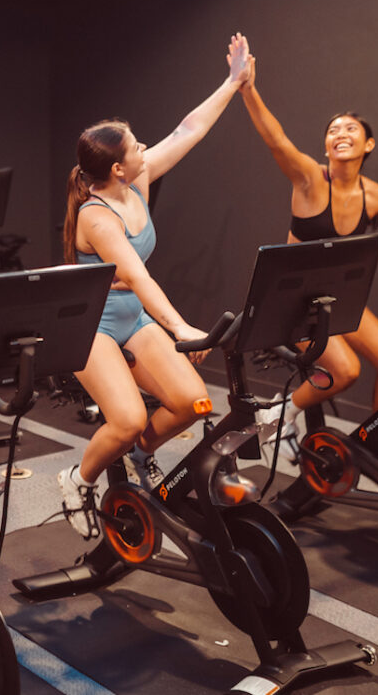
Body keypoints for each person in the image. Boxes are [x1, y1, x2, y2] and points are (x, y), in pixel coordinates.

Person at [58, 34, 252, 539]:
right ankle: (77, 479)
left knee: (192, 402)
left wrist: (232, 82)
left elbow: (189, 129)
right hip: (92, 326)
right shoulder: (97, 217)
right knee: (122, 420)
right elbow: (139, 276)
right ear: (118, 167)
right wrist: (182, 326)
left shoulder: (134, 182)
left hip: (132, 318)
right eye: (136, 145)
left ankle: (141, 457)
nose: (146, 146)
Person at [241, 53, 378, 461]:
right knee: (347, 370)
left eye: (350, 128)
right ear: (326, 144)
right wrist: (247, 88)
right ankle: (280, 417)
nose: (340, 132)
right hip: (290, 300)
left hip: (333, 300)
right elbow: (275, 139)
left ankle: (373, 452)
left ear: (367, 144)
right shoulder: (309, 178)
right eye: (333, 129)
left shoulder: (376, 196)